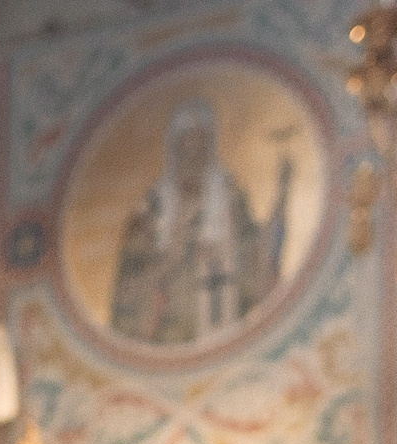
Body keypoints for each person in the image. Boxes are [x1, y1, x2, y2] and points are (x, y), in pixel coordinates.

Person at [108, 99, 291, 345]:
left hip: (224, 327)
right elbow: (128, 288)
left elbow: (255, 260)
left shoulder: (230, 201)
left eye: (199, 148)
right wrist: (167, 261)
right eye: (186, 148)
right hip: (168, 338)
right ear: (174, 153)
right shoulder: (150, 213)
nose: (192, 157)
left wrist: (282, 197)